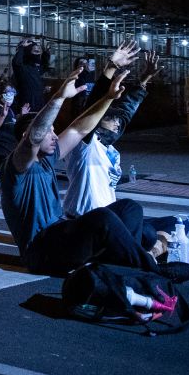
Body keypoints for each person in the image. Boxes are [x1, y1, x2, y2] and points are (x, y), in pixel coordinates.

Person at [0, 67, 176, 277]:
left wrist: (109, 98)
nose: (55, 136)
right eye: (50, 131)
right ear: (26, 135)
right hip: (42, 252)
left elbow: (79, 129)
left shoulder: (47, 160)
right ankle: (148, 268)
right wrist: (58, 97)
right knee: (103, 218)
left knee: (129, 208)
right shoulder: (16, 167)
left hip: (62, 236)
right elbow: (35, 136)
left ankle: (123, 265)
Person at [62, 48, 181, 255]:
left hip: (111, 218)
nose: (116, 126)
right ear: (97, 123)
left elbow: (126, 110)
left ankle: (146, 251)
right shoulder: (85, 145)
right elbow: (92, 107)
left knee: (174, 222)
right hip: (86, 221)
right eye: (110, 121)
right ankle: (146, 255)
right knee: (150, 234)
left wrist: (145, 78)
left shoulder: (110, 149)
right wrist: (111, 67)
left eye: (119, 124)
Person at [0, 82, 27, 170]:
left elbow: (10, 124)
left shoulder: (9, 110)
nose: (11, 95)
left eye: (13, 93)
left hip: (10, 152)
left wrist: (21, 116)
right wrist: (2, 116)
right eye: (8, 93)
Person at [11, 37, 51, 111]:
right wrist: (22, 48)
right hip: (27, 106)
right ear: (28, 52)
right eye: (35, 51)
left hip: (39, 104)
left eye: (39, 52)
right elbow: (16, 63)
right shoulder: (22, 68)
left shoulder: (35, 67)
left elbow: (45, 66)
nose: (38, 54)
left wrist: (46, 53)